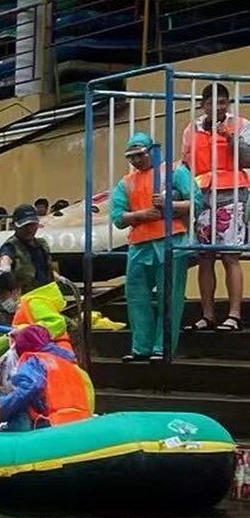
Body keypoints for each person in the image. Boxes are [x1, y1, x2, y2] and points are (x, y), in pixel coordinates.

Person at [109, 131, 194, 361]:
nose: (136, 160)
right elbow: (117, 217)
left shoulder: (175, 171)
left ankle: (162, 347)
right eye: (131, 157)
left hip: (171, 240)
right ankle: (141, 347)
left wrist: (170, 204)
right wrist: (142, 215)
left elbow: (195, 201)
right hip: (139, 245)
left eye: (140, 154)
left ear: (152, 151)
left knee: (170, 296)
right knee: (136, 297)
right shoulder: (126, 182)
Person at [183, 82, 250, 331]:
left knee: (230, 255)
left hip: (233, 193)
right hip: (202, 195)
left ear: (228, 103)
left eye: (223, 102)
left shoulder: (241, 124)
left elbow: (248, 158)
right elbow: (187, 163)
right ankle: (207, 315)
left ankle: (234, 315)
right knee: (205, 256)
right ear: (203, 105)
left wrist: (230, 137)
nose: (218, 107)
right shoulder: (192, 128)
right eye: (212, 103)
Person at [0, 322, 91, 429]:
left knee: (17, 408)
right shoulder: (69, 363)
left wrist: (0, 407)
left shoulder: (34, 361)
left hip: (52, 423)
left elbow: (29, 388)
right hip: (80, 421)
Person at [0, 204, 54, 291]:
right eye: (25, 226)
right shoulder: (11, 245)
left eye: (32, 225)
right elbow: (6, 256)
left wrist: (59, 278)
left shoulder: (41, 244)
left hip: (45, 293)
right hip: (23, 294)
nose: (29, 229)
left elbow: (45, 269)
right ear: (14, 226)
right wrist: (4, 266)